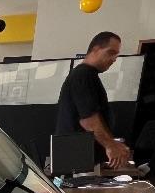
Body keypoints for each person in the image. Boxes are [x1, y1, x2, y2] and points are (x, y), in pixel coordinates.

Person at [56, 31, 132, 168]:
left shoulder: (89, 75)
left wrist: (113, 144)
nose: (114, 59)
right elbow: (88, 120)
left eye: (116, 55)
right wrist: (111, 145)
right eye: (111, 52)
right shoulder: (83, 75)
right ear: (95, 49)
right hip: (78, 159)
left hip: (84, 157)